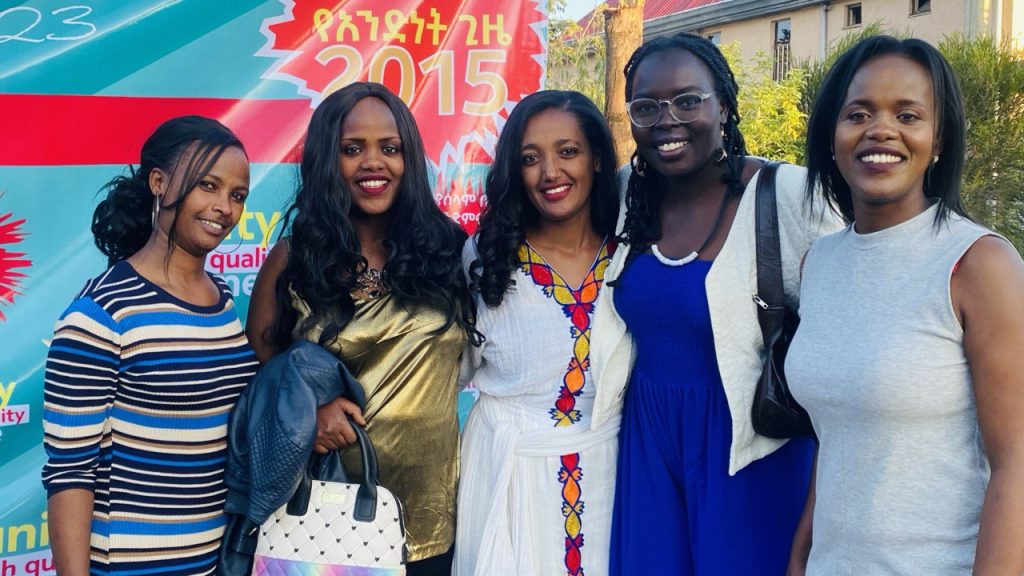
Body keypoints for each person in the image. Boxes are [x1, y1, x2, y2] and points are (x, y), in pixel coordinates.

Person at [591, 33, 842, 575]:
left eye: (688, 101)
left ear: (723, 105)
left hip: (749, 448)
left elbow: (851, 324)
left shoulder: (786, 194)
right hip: (647, 442)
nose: (667, 121)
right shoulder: (626, 195)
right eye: (646, 107)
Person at [786, 36, 1024, 575]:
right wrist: (801, 557)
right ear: (831, 136)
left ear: (938, 140)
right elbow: (839, 433)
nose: (881, 129)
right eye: (858, 114)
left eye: (908, 115)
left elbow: (1017, 465)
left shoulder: (979, 264)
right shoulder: (819, 262)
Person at [245, 82, 478, 576]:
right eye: (352, 149)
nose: (374, 163)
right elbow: (262, 371)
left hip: (431, 516)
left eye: (389, 149)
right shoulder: (295, 259)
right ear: (328, 161)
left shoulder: (449, 251)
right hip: (322, 518)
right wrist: (308, 412)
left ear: (409, 158)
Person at [41, 116, 257, 576]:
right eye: (207, 185)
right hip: (128, 566)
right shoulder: (103, 313)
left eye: (237, 195)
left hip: (212, 563)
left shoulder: (222, 301)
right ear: (158, 182)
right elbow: (69, 474)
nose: (223, 207)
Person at [454, 90, 621, 576]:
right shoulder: (484, 259)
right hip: (508, 474)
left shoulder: (629, 252)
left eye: (568, 151)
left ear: (596, 159)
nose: (550, 172)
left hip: (609, 471)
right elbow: (450, 367)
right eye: (531, 158)